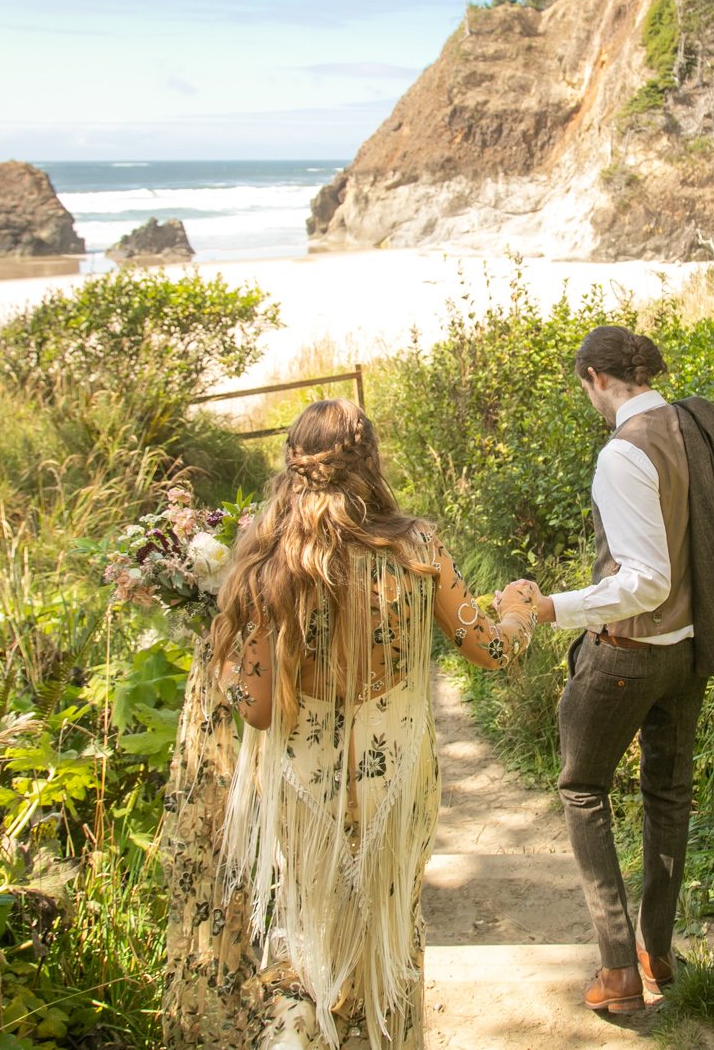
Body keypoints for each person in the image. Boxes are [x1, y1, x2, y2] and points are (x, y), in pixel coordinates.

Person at [165, 397, 537, 1049]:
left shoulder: (270, 561)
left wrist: (217, 671)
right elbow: (492, 648)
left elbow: (258, 708)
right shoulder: (415, 545)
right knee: (391, 934)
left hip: (307, 795)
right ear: (370, 460)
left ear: (292, 463)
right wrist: (520, 609)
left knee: (310, 943)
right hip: (393, 784)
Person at [508, 324, 714, 1016]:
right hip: (691, 651)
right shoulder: (690, 426)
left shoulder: (623, 453)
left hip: (628, 653)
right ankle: (658, 953)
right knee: (665, 796)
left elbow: (646, 580)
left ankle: (619, 970)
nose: (590, 403)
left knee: (582, 789)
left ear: (598, 378)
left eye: (586, 390)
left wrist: (550, 608)